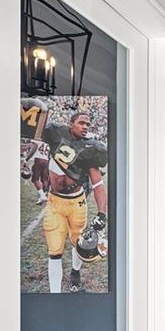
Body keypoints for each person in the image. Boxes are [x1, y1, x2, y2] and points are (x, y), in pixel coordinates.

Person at [41, 111, 108, 292]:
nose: (86, 126)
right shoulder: (56, 135)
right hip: (55, 202)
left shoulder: (89, 148)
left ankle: (75, 272)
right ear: (71, 123)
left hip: (76, 203)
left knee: (78, 242)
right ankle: (55, 294)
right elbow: (35, 128)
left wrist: (102, 213)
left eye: (88, 124)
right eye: (81, 123)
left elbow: (98, 184)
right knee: (54, 251)